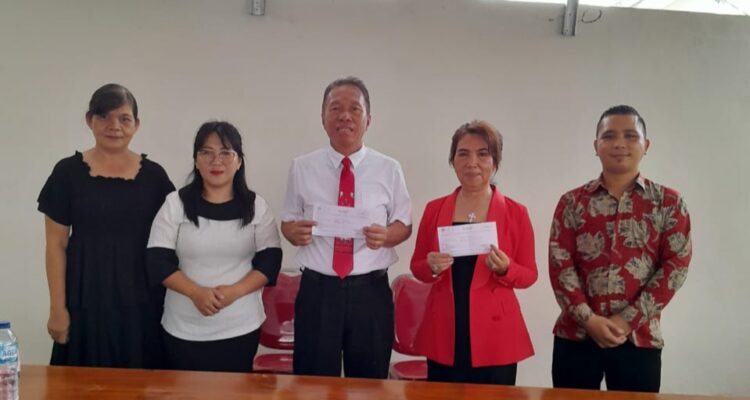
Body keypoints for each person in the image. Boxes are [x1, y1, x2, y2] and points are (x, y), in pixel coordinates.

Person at [549, 105, 692, 393]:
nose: (619, 143)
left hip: (639, 339)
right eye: (609, 136)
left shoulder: (668, 202)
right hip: (576, 336)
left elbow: (675, 267)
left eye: (630, 135)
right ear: (596, 146)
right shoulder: (572, 202)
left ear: (646, 145)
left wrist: (627, 321)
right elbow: (560, 264)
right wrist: (589, 320)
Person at [281, 76, 412, 378]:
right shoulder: (302, 167)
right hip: (318, 291)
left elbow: (404, 224)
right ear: (323, 117)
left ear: (368, 119)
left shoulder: (389, 168)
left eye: (355, 109)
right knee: (312, 384)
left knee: (368, 386)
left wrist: (387, 236)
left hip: (370, 292)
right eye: (335, 108)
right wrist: (294, 232)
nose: (345, 116)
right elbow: (287, 221)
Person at [37, 83, 174, 368]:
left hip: (143, 301)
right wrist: (57, 309)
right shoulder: (67, 173)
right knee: (80, 383)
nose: (115, 126)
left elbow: (173, 242)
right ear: (90, 120)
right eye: (104, 116)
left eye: (124, 118)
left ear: (136, 124)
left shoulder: (155, 177)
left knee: (141, 381)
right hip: (85, 300)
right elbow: (55, 245)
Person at [146, 121, 282, 373]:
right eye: (206, 153)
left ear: (239, 161)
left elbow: (270, 260)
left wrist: (236, 291)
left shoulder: (256, 206)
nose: (216, 161)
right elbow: (157, 260)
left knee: (235, 389)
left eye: (226, 153)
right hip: (183, 328)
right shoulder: (175, 204)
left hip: (240, 326)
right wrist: (195, 292)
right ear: (196, 161)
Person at [410, 120, 537, 385]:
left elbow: (529, 275)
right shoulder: (434, 209)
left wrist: (506, 268)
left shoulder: (516, 212)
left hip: (495, 332)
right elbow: (417, 266)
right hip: (445, 327)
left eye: (482, 154)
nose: (472, 163)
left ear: (495, 161)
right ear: (453, 160)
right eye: (463, 154)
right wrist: (431, 265)